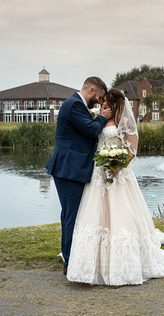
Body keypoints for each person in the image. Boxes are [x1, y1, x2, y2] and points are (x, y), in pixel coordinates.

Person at [66, 88, 164, 286]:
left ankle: (122, 263)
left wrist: (117, 167)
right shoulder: (98, 118)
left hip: (118, 175)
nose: (101, 104)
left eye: (105, 102)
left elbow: (131, 150)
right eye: (101, 101)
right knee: (95, 216)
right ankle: (91, 264)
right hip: (98, 174)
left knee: (121, 215)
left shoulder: (125, 122)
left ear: (115, 104)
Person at [44, 77, 113, 275]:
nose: (100, 102)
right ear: (91, 90)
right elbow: (90, 131)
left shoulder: (76, 104)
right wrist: (103, 116)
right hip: (68, 169)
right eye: (99, 97)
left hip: (72, 169)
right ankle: (69, 261)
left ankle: (71, 257)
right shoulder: (74, 104)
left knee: (71, 215)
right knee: (71, 216)